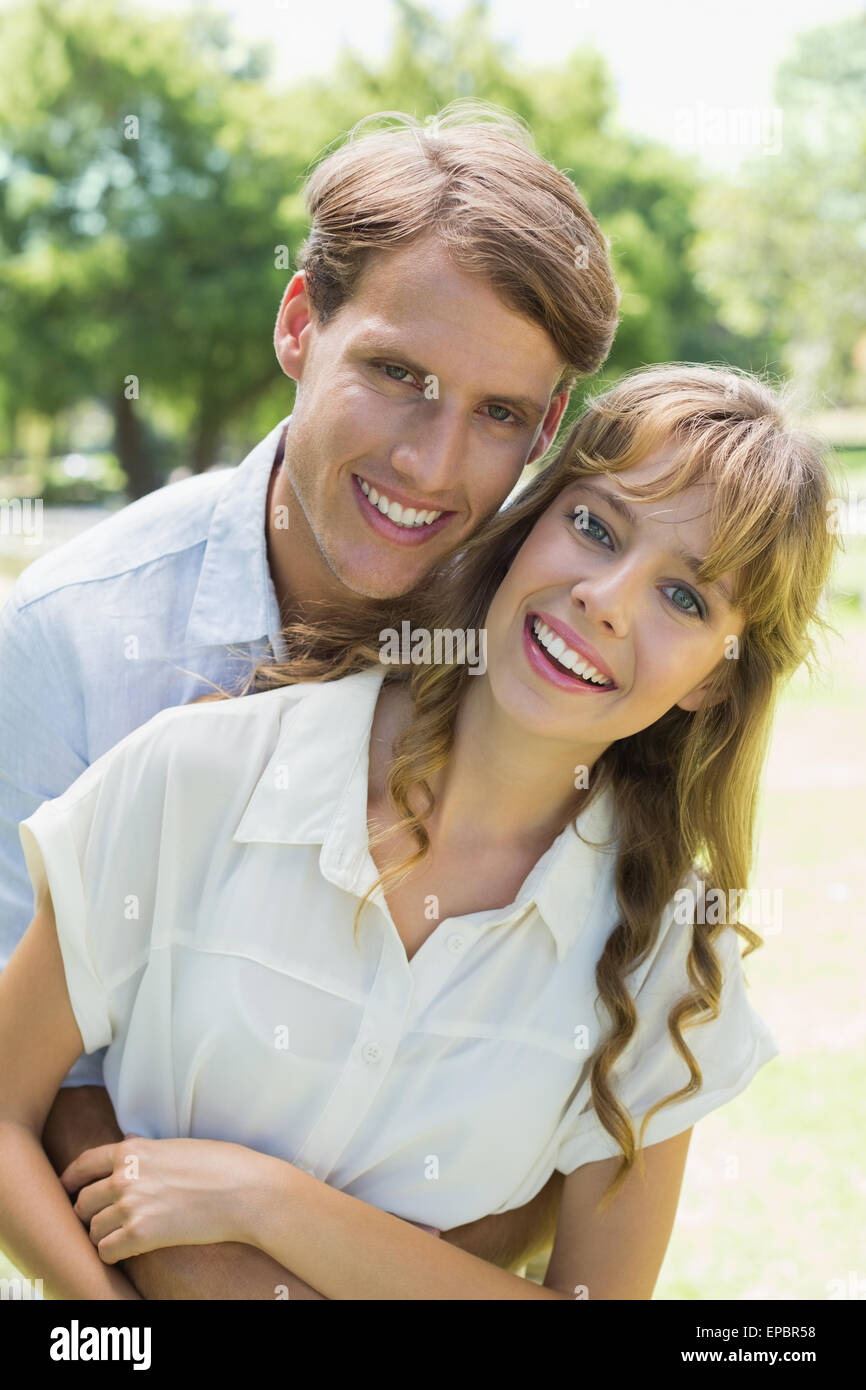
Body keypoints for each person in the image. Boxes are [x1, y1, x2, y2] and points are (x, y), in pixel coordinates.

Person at [0, 364, 842, 1299]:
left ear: (714, 681)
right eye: (595, 527)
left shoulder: (671, 959)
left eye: (685, 599)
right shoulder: (202, 775)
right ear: (528, 529)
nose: (605, 598)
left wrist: (270, 1205)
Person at [0, 102, 619, 1296]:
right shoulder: (66, 637)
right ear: (299, 324)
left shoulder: (553, 663)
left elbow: (579, 1112)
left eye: (497, 415)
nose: (431, 466)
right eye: (396, 373)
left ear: (546, 430)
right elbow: (36, 1083)